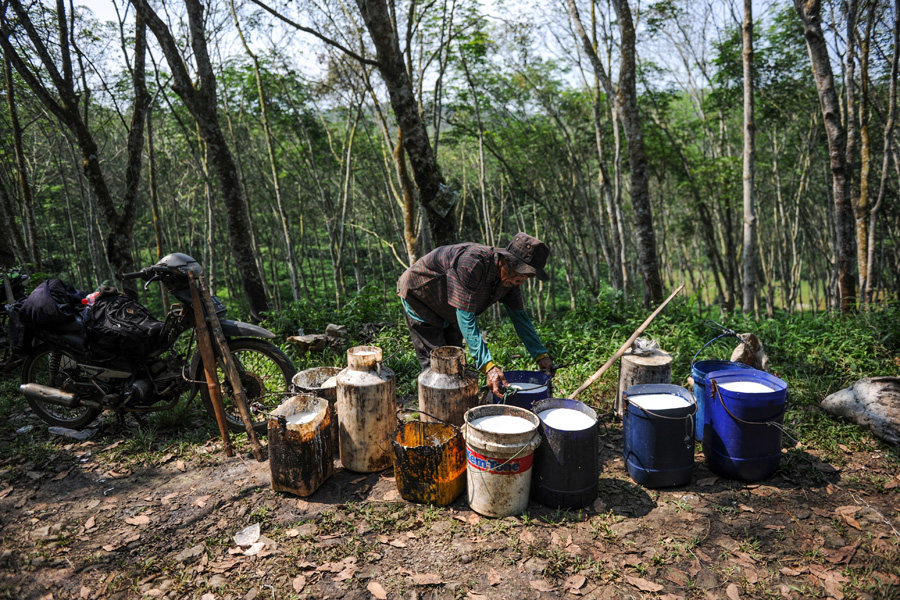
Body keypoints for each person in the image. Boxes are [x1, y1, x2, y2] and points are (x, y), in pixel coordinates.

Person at [397, 232, 557, 397]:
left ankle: (457, 409)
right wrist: (488, 366)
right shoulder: (471, 264)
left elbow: (520, 318)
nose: (520, 280)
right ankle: (436, 416)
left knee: (456, 364)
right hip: (421, 300)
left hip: (450, 309)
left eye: (527, 276)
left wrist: (540, 354)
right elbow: (466, 317)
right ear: (505, 261)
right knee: (438, 368)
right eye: (519, 273)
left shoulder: (510, 281)